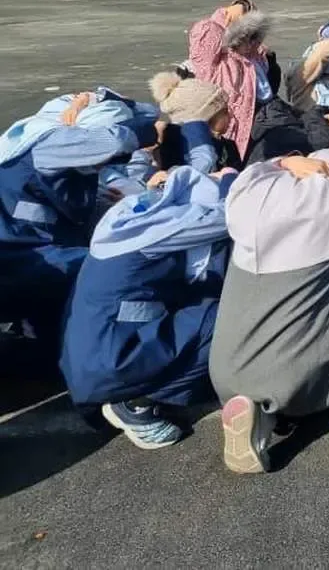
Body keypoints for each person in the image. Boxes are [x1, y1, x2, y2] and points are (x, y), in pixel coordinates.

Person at [209, 149, 329, 474]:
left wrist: (287, 161)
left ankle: (261, 407)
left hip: (227, 374)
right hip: (295, 380)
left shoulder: (246, 193)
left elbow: (258, 169)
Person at [59, 166, 235, 449]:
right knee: (225, 319)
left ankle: (133, 392)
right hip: (112, 361)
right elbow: (232, 216)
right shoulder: (165, 228)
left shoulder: (132, 215)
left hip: (90, 358)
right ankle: (139, 401)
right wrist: (229, 178)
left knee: (201, 309)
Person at [0, 89, 156, 343]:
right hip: (21, 256)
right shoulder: (53, 142)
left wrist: (87, 100)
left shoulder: (31, 137)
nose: (106, 163)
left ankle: (43, 340)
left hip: (27, 246)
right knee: (109, 266)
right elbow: (120, 139)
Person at [187, 0, 275, 160]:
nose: (251, 42)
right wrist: (229, 12)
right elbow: (208, 32)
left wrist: (247, 9)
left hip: (258, 129)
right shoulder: (214, 58)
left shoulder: (256, 58)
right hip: (225, 131)